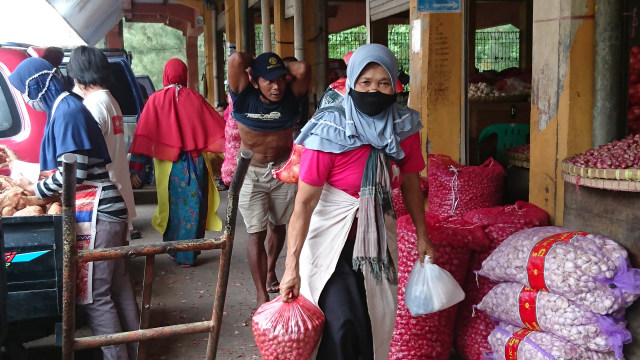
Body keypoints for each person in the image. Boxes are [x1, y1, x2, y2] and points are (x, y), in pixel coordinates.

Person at [279, 44, 436, 359]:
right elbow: (305, 205)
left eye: (383, 83)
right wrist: (290, 266)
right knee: (342, 322)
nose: (374, 90)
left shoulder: (403, 127)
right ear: (351, 84)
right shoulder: (328, 130)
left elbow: (410, 184)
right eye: (365, 83)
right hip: (329, 242)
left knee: (373, 322)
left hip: (376, 241)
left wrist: (422, 235)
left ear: (395, 85)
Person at [7, 57, 139, 360]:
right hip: (109, 208)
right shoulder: (69, 107)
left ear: (37, 86)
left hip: (99, 212)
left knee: (96, 297)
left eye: (26, 93)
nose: (28, 100)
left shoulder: (67, 111)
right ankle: (134, 351)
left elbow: (75, 173)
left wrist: (35, 191)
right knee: (118, 288)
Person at [227, 51, 310, 308]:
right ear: (254, 80)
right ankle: (262, 293)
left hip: (284, 169)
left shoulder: (291, 96)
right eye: (268, 80)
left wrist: (277, 65)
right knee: (255, 233)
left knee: (278, 226)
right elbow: (236, 60)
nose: (276, 87)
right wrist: (258, 64)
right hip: (251, 172)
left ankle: (271, 268)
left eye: (280, 80)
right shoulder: (243, 95)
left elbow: (303, 68)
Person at [129, 58, 225, 267]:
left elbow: (143, 135)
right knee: (195, 207)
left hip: (168, 167)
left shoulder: (155, 100)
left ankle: (175, 250)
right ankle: (190, 253)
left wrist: (135, 169)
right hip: (195, 164)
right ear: (185, 74)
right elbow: (218, 129)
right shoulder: (195, 98)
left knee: (172, 209)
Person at [66, 45, 141, 241]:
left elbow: (85, 155)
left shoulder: (93, 105)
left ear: (78, 76)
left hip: (103, 197)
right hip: (117, 189)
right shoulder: (109, 99)